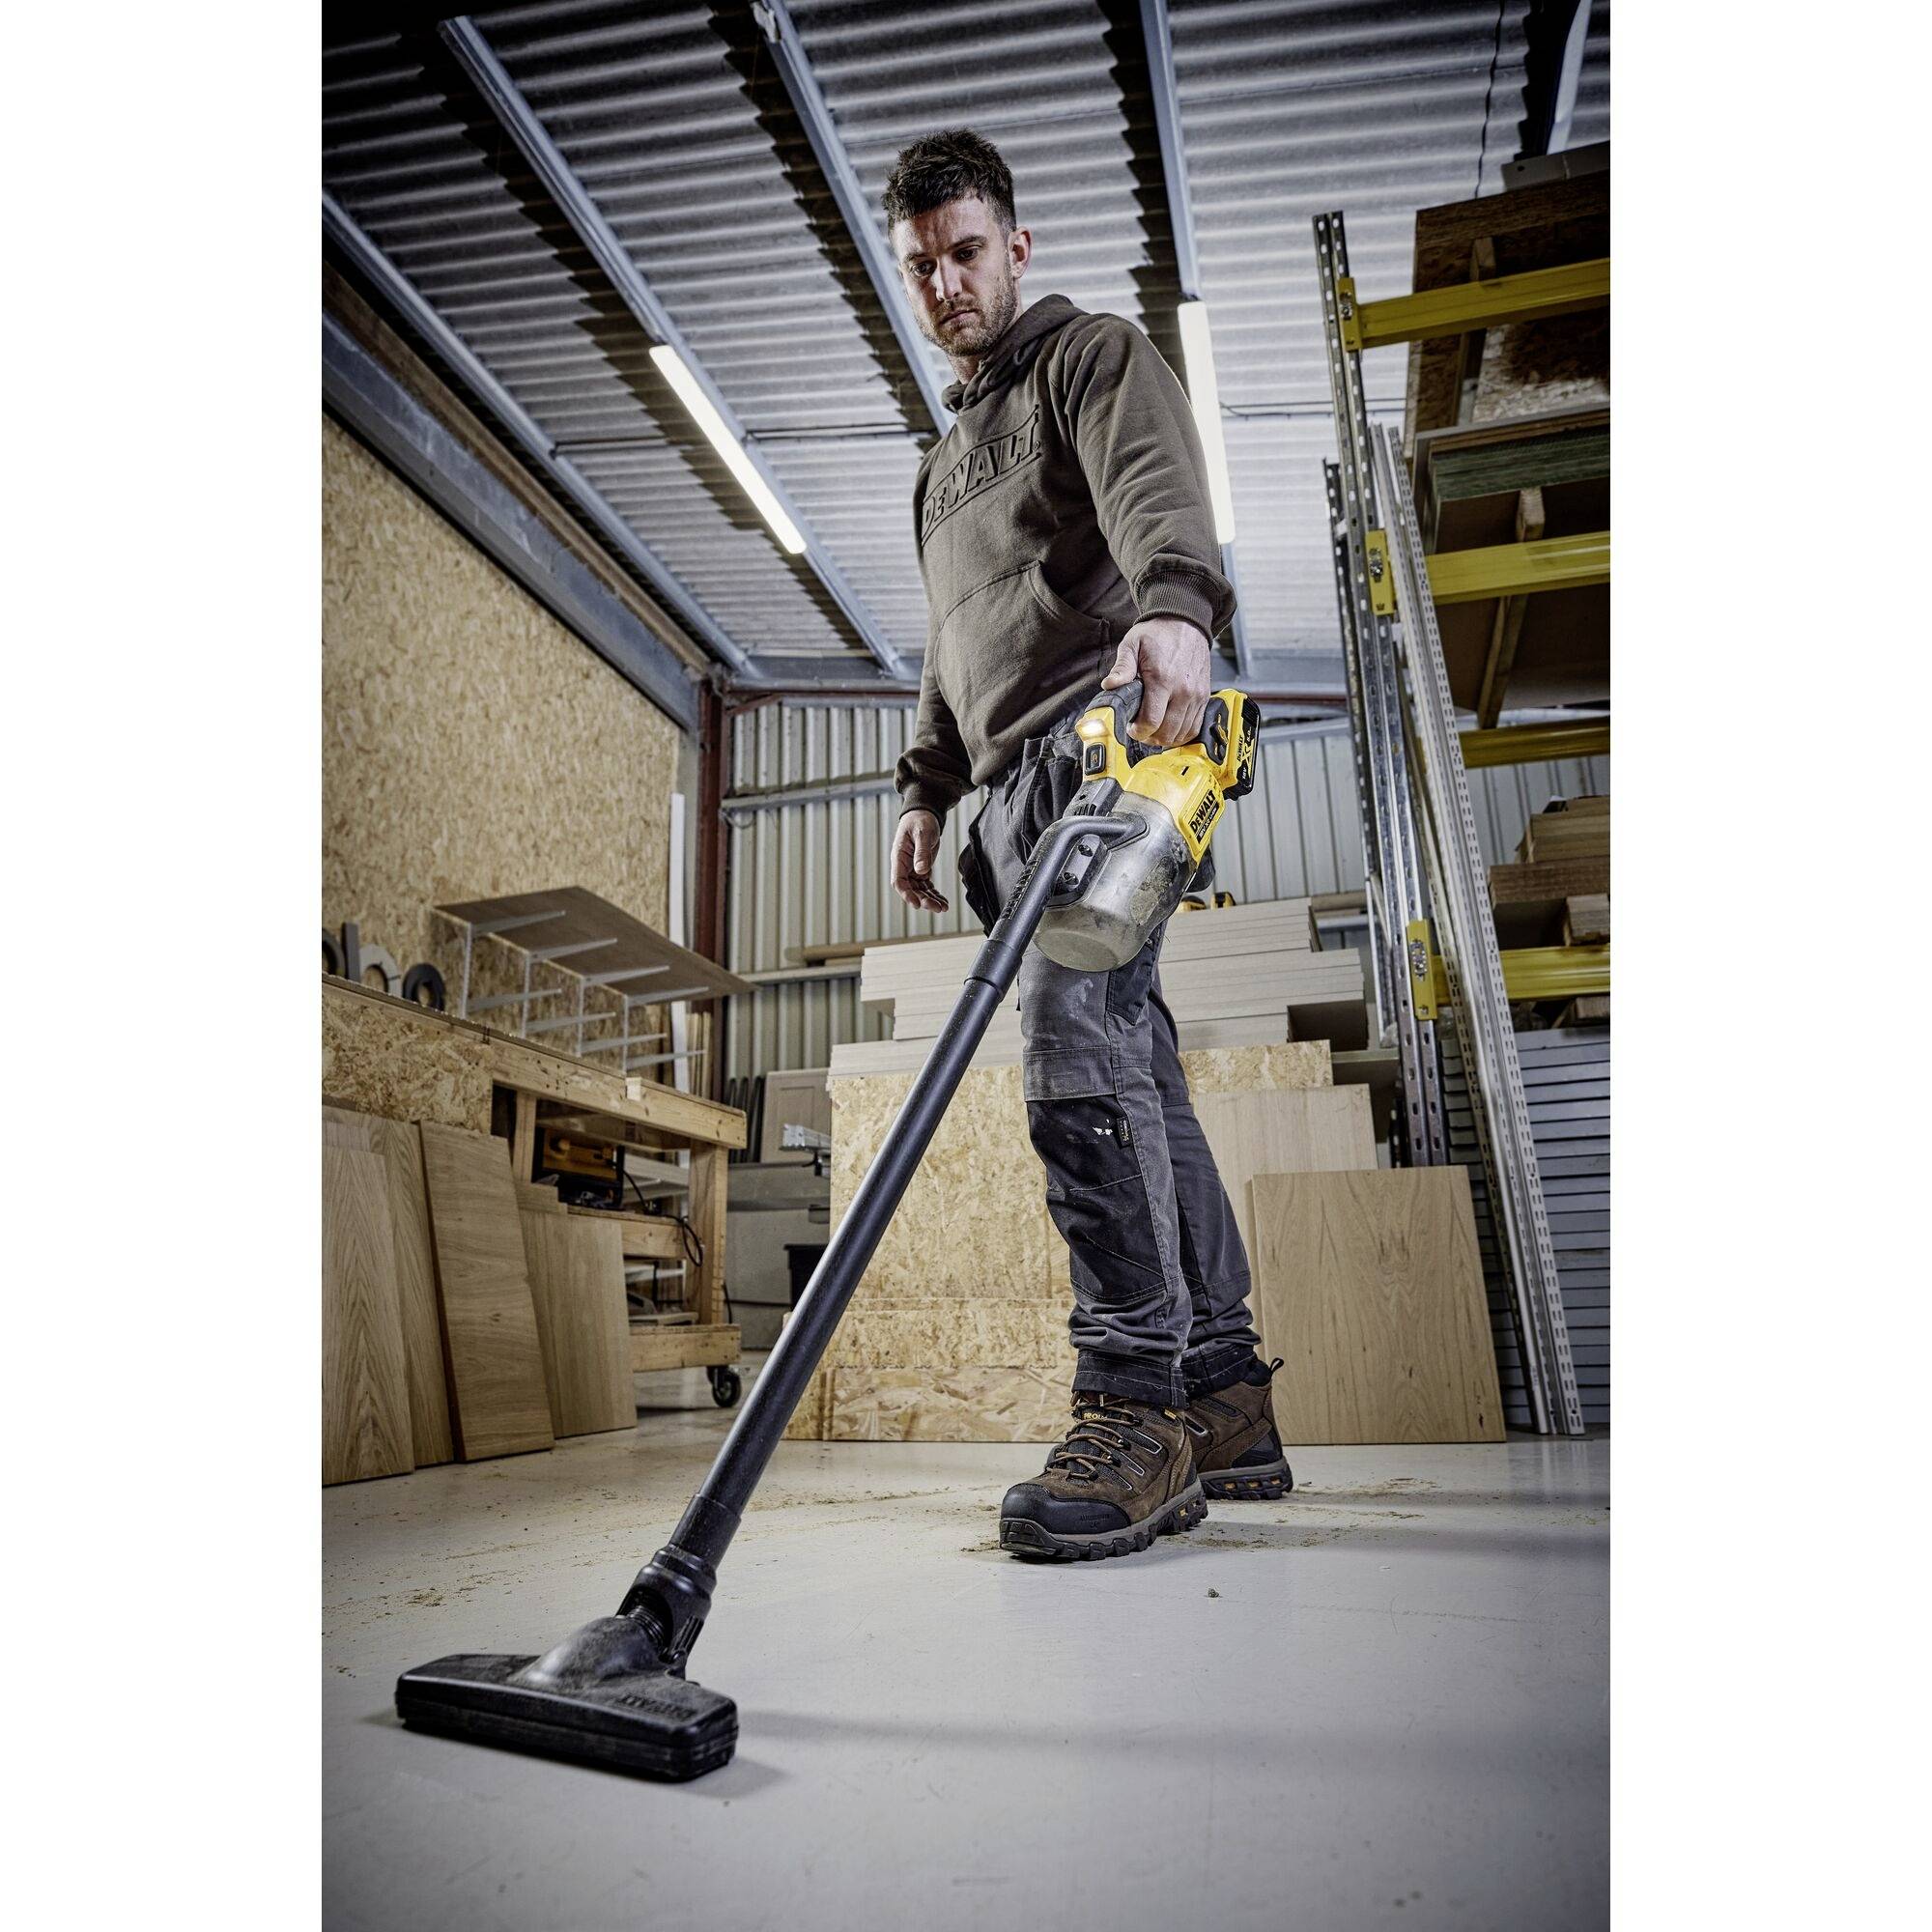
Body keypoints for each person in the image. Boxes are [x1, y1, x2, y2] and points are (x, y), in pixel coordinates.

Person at [883, 129, 1290, 1562]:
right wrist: (926, 787)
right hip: (1007, 794)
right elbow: (950, 643)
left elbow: (1155, 487)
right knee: (1134, 1064)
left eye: (966, 252)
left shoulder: (1088, 356)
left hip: (1118, 743)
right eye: (922, 263)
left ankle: (1135, 1406)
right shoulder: (937, 472)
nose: (946, 282)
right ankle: (1222, 1391)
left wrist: (1175, 606)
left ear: (1015, 247)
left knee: (1072, 1037)